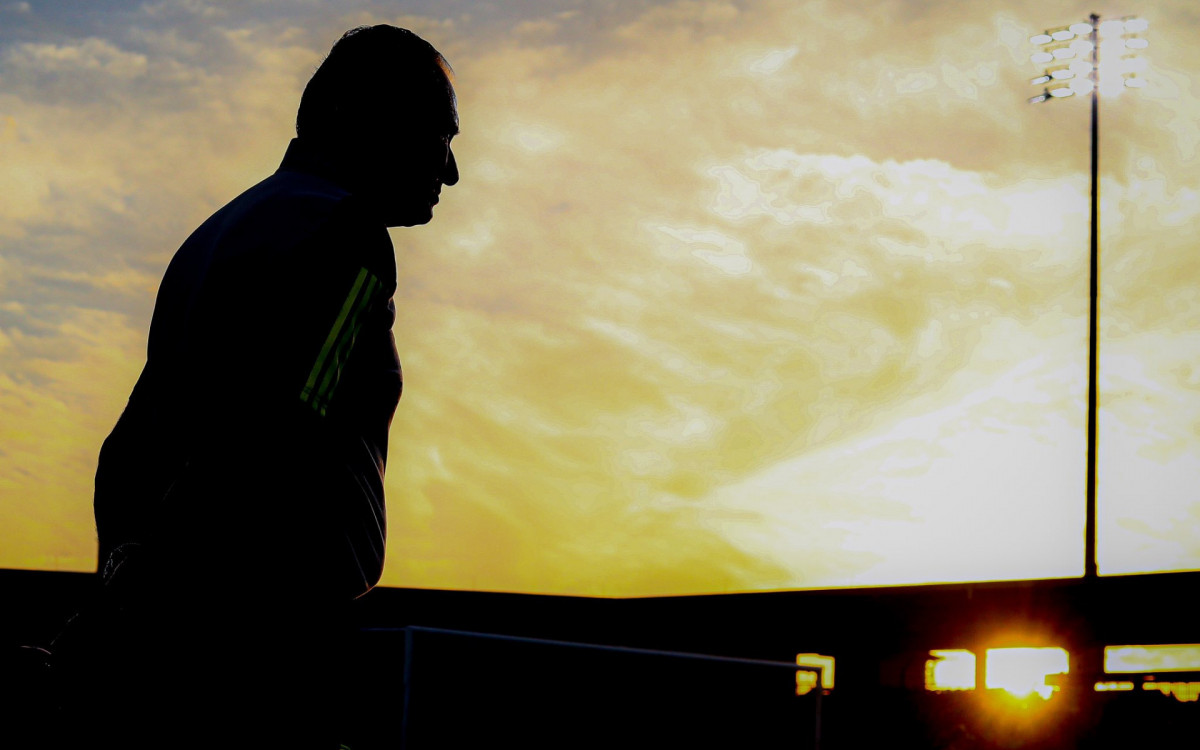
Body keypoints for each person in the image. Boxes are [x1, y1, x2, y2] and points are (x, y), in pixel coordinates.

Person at [52, 25, 459, 749]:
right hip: (257, 666)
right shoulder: (351, 236)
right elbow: (289, 430)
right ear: (355, 116)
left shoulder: (222, 232)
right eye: (437, 133)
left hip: (177, 655)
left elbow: (129, 452)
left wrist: (121, 589)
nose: (450, 169)